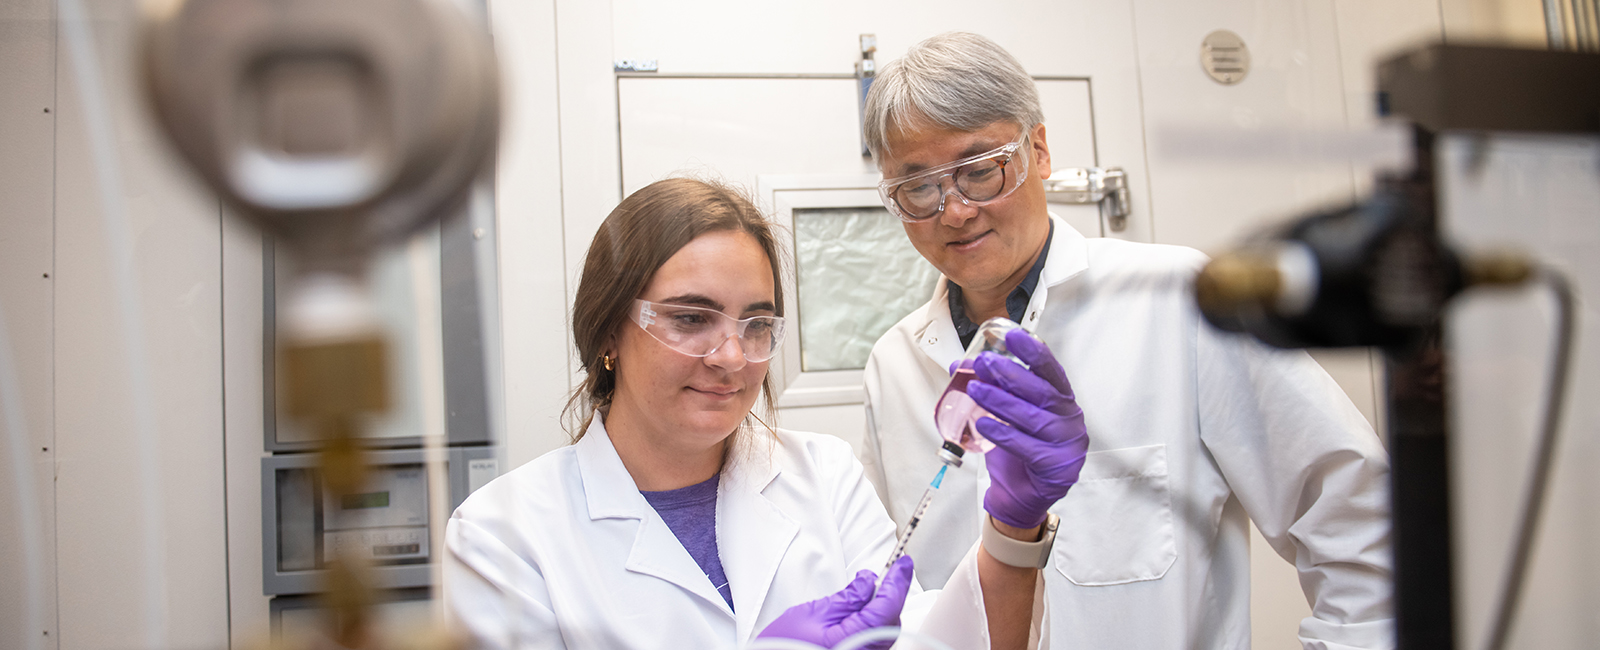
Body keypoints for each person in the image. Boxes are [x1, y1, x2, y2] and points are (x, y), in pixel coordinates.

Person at [857, 33, 1395, 649]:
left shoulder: (1177, 300)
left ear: (1038, 150)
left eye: (980, 170)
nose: (953, 210)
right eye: (918, 188)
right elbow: (892, 586)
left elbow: (1355, 515)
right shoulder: (892, 365)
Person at [443, 177, 1078, 650]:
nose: (731, 356)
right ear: (608, 334)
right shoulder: (504, 535)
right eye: (691, 318)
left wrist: (1011, 531)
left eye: (756, 324)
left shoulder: (823, 477)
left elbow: (934, 643)